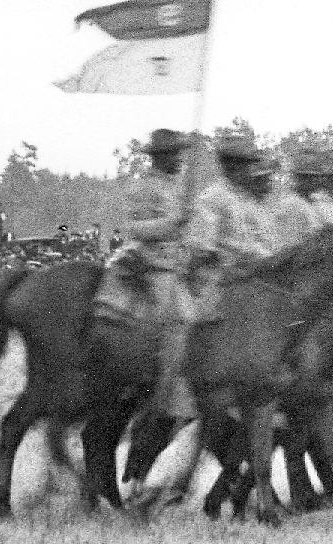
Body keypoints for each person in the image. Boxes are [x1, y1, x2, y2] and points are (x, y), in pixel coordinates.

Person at [117, 127, 195, 417]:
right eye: (175, 154)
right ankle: (163, 397)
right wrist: (173, 224)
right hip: (152, 264)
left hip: (179, 265)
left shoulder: (178, 188)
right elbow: (134, 228)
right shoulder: (143, 188)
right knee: (181, 318)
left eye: (181, 154)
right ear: (160, 157)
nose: (180, 159)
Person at [185, 134, 277, 297]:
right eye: (247, 164)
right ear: (232, 165)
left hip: (251, 274)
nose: (250, 170)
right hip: (221, 283)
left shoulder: (244, 199)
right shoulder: (212, 197)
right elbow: (202, 249)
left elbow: (255, 242)